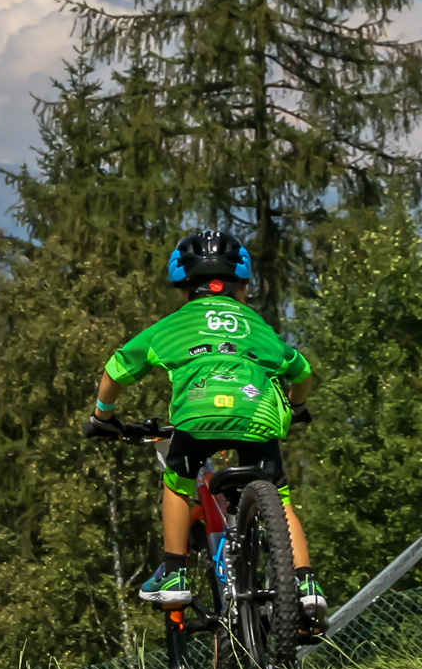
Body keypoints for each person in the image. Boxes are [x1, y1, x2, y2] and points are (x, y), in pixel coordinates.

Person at [84, 229, 326, 630]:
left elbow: (116, 369)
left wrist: (103, 417)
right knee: (280, 498)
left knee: (178, 480)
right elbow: (302, 371)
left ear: (183, 289)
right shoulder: (257, 327)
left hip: (197, 416)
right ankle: (305, 584)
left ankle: (174, 572)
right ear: (243, 288)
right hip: (257, 417)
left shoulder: (173, 326)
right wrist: (297, 406)